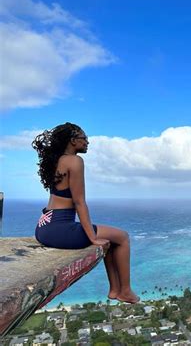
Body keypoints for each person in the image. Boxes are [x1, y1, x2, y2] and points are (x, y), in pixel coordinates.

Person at [32, 122, 140, 304]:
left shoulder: (57, 160)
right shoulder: (75, 161)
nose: (88, 142)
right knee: (122, 237)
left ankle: (115, 290)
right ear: (73, 141)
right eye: (85, 139)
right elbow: (79, 202)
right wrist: (92, 238)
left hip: (44, 227)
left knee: (111, 240)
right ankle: (126, 290)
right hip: (60, 229)